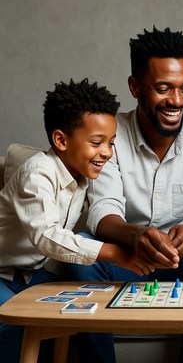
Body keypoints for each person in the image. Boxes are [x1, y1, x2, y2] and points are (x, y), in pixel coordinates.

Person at [64, 26, 183, 363]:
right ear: (134, 87)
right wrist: (138, 234)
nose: (176, 100)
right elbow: (103, 211)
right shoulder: (109, 137)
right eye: (162, 88)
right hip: (130, 260)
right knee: (84, 249)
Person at [0, 78, 145, 363]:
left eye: (111, 143)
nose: (107, 152)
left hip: (33, 274)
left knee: (81, 305)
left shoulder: (84, 172)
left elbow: (107, 208)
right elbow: (47, 236)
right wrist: (115, 254)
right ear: (61, 140)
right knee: (12, 324)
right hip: (1, 272)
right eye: (96, 143)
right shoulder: (37, 174)